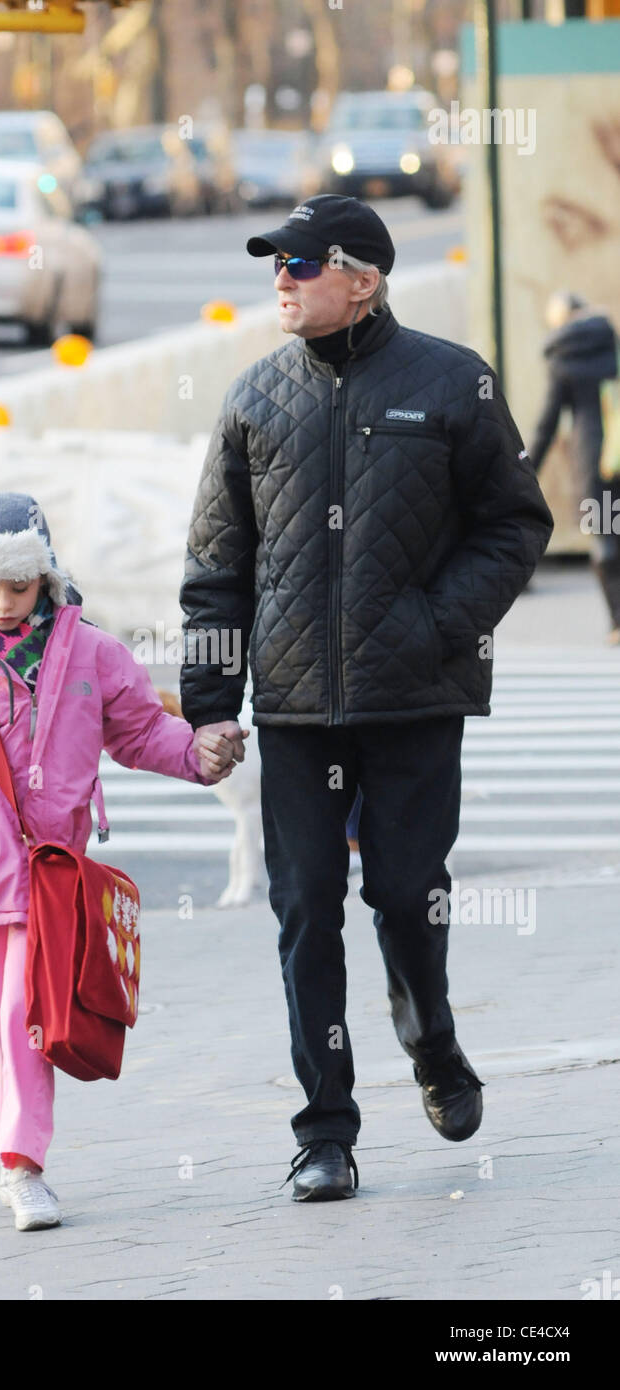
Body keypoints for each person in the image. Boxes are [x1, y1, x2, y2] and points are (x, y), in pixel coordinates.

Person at [179, 194, 554, 1201]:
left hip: (412, 699)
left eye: (299, 266)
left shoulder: (449, 382)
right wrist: (209, 702)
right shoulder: (254, 396)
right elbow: (213, 567)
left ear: (362, 277)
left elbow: (514, 524)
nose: (280, 281)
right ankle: (324, 1130)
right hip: (293, 709)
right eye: (274, 265)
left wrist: (435, 626)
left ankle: (429, 1039)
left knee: (402, 893)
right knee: (303, 908)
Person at [0, 492, 238, 1231]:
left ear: (46, 577)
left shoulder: (93, 654)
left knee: (24, 1017)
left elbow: (137, 732)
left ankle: (22, 1166)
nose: (3, 604)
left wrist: (198, 753)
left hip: (55, 875)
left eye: (18, 585)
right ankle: (20, 1164)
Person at [528, 291, 620, 640]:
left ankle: (618, 620)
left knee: (605, 536)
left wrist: (525, 470)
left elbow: (546, 425)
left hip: (596, 463)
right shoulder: (613, 341)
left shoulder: (562, 359)